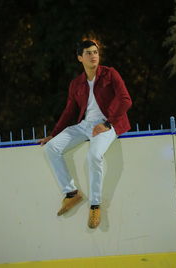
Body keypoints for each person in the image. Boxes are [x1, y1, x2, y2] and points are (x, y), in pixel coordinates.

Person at [39, 40, 132, 228]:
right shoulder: (76, 84)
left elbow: (125, 100)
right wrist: (54, 134)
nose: (93, 55)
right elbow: (69, 111)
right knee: (51, 148)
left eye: (96, 52)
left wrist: (107, 123)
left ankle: (95, 205)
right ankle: (71, 193)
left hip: (108, 124)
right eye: (88, 53)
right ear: (80, 57)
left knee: (94, 155)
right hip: (85, 125)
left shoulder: (110, 74)